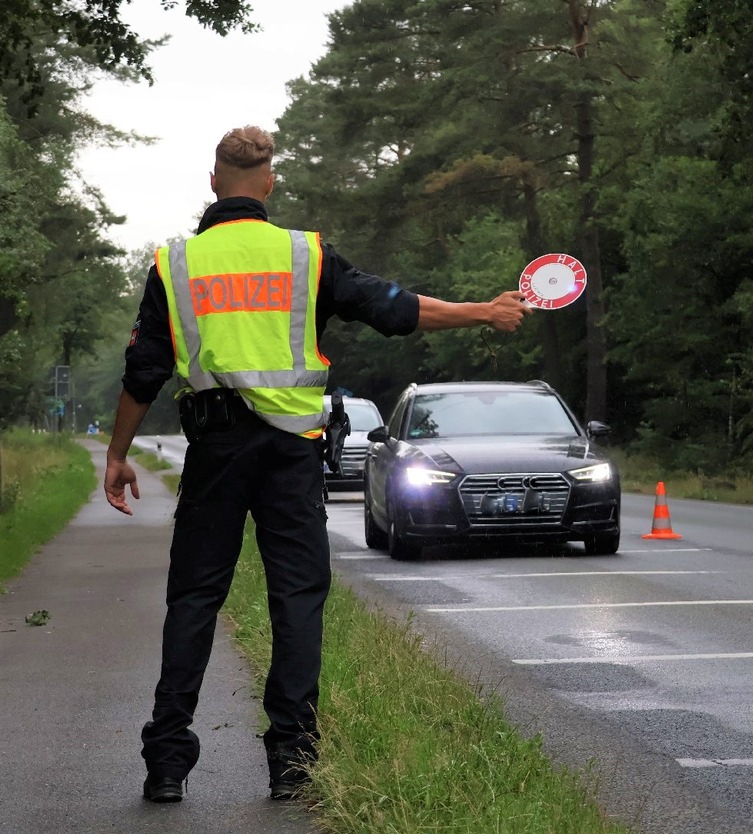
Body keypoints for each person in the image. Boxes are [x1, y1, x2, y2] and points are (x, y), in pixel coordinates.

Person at [103, 125, 530, 804]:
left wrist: (119, 454)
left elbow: (144, 371)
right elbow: (394, 308)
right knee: (296, 599)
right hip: (290, 454)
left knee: (194, 597)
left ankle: (165, 761)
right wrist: (482, 310)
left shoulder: (175, 262)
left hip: (215, 450)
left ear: (213, 182)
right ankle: (292, 761)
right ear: (269, 185)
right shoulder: (306, 255)